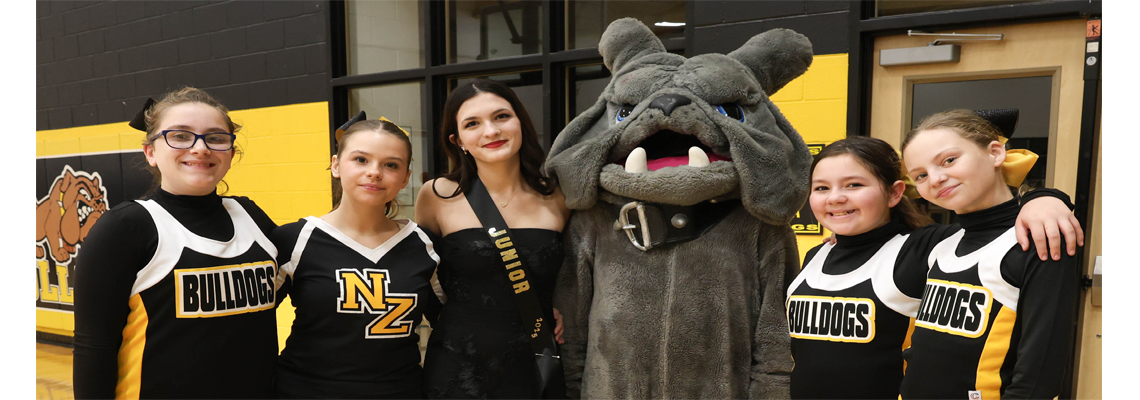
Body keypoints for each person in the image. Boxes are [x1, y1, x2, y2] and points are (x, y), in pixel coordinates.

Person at [788, 135, 1082, 399]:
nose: (836, 197)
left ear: (894, 193)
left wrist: (1044, 198)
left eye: (854, 185)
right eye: (821, 188)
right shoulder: (817, 253)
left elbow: (990, 223)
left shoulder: (923, 247)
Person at [73, 87, 279, 399]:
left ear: (231, 152)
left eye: (215, 137)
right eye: (180, 136)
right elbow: (94, 347)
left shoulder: (251, 216)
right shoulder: (126, 227)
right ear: (150, 152)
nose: (200, 148)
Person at [897, 109, 1080, 399]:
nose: (935, 178)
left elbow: (1040, 375)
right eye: (920, 175)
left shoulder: (1037, 238)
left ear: (996, 153)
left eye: (949, 160)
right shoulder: (938, 241)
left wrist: (1045, 196)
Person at [271, 114, 445, 398]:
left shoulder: (424, 245)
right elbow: (248, 325)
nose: (374, 172)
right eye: (361, 160)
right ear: (336, 165)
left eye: (391, 165)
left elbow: (453, 327)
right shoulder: (293, 240)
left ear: (405, 178)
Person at [417, 78, 571, 399]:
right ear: (457, 140)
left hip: (539, 360)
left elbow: (577, 271)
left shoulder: (558, 194)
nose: (491, 131)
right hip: (457, 364)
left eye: (501, 116)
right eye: (472, 123)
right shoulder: (436, 195)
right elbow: (417, 275)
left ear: (520, 123)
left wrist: (564, 308)